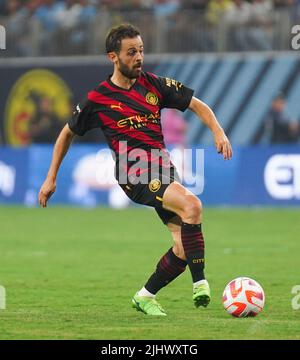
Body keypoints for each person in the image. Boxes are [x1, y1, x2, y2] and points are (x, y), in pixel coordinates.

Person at [38, 23, 233, 316]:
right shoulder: (98, 99)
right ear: (113, 57)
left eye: (141, 50)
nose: (139, 57)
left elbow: (197, 105)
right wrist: (50, 177)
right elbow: (66, 133)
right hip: (134, 173)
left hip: (163, 170)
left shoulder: (153, 85)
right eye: (131, 52)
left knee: (182, 247)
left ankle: (145, 296)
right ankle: (200, 284)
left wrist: (218, 132)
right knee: (193, 205)